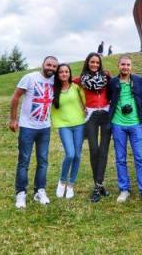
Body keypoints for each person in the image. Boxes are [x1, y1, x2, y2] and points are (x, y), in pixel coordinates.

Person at [9, 56, 58, 208]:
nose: (51, 68)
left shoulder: (55, 80)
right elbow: (15, 97)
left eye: (54, 66)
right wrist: (13, 119)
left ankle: (39, 190)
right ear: (43, 64)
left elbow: (70, 79)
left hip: (45, 127)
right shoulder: (30, 78)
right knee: (24, 160)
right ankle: (21, 193)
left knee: (43, 160)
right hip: (27, 127)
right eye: (48, 64)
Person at [108, 55, 142, 205]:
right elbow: (109, 98)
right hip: (118, 124)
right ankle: (124, 189)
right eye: (123, 64)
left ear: (131, 66)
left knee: (140, 158)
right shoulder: (113, 82)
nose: (125, 67)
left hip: (136, 124)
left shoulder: (138, 80)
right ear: (118, 66)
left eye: (128, 65)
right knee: (120, 158)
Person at [73, 52, 113, 202]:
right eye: (92, 62)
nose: (95, 64)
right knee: (94, 150)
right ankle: (99, 185)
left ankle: (98, 187)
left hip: (106, 115)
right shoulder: (80, 79)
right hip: (91, 116)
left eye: (97, 62)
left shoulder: (106, 77)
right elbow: (64, 81)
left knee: (103, 151)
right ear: (87, 63)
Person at [51, 63, 86, 200]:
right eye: (61, 72)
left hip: (79, 124)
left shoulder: (76, 87)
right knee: (70, 154)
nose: (64, 74)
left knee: (77, 155)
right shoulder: (53, 89)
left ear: (70, 73)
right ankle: (62, 181)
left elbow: (86, 100)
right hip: (64, 125)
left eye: (66, 71)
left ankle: (71, 184)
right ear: (57, 74)